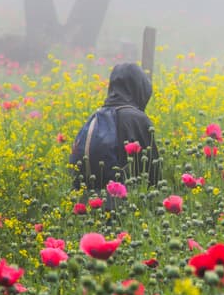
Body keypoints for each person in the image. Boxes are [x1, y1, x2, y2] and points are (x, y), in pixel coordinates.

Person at [69, 62, 161, 204]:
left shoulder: (96, 116)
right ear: (140, 88)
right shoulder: (136, 119)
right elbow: (152, 173)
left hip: (86, 203)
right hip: (122, 206)